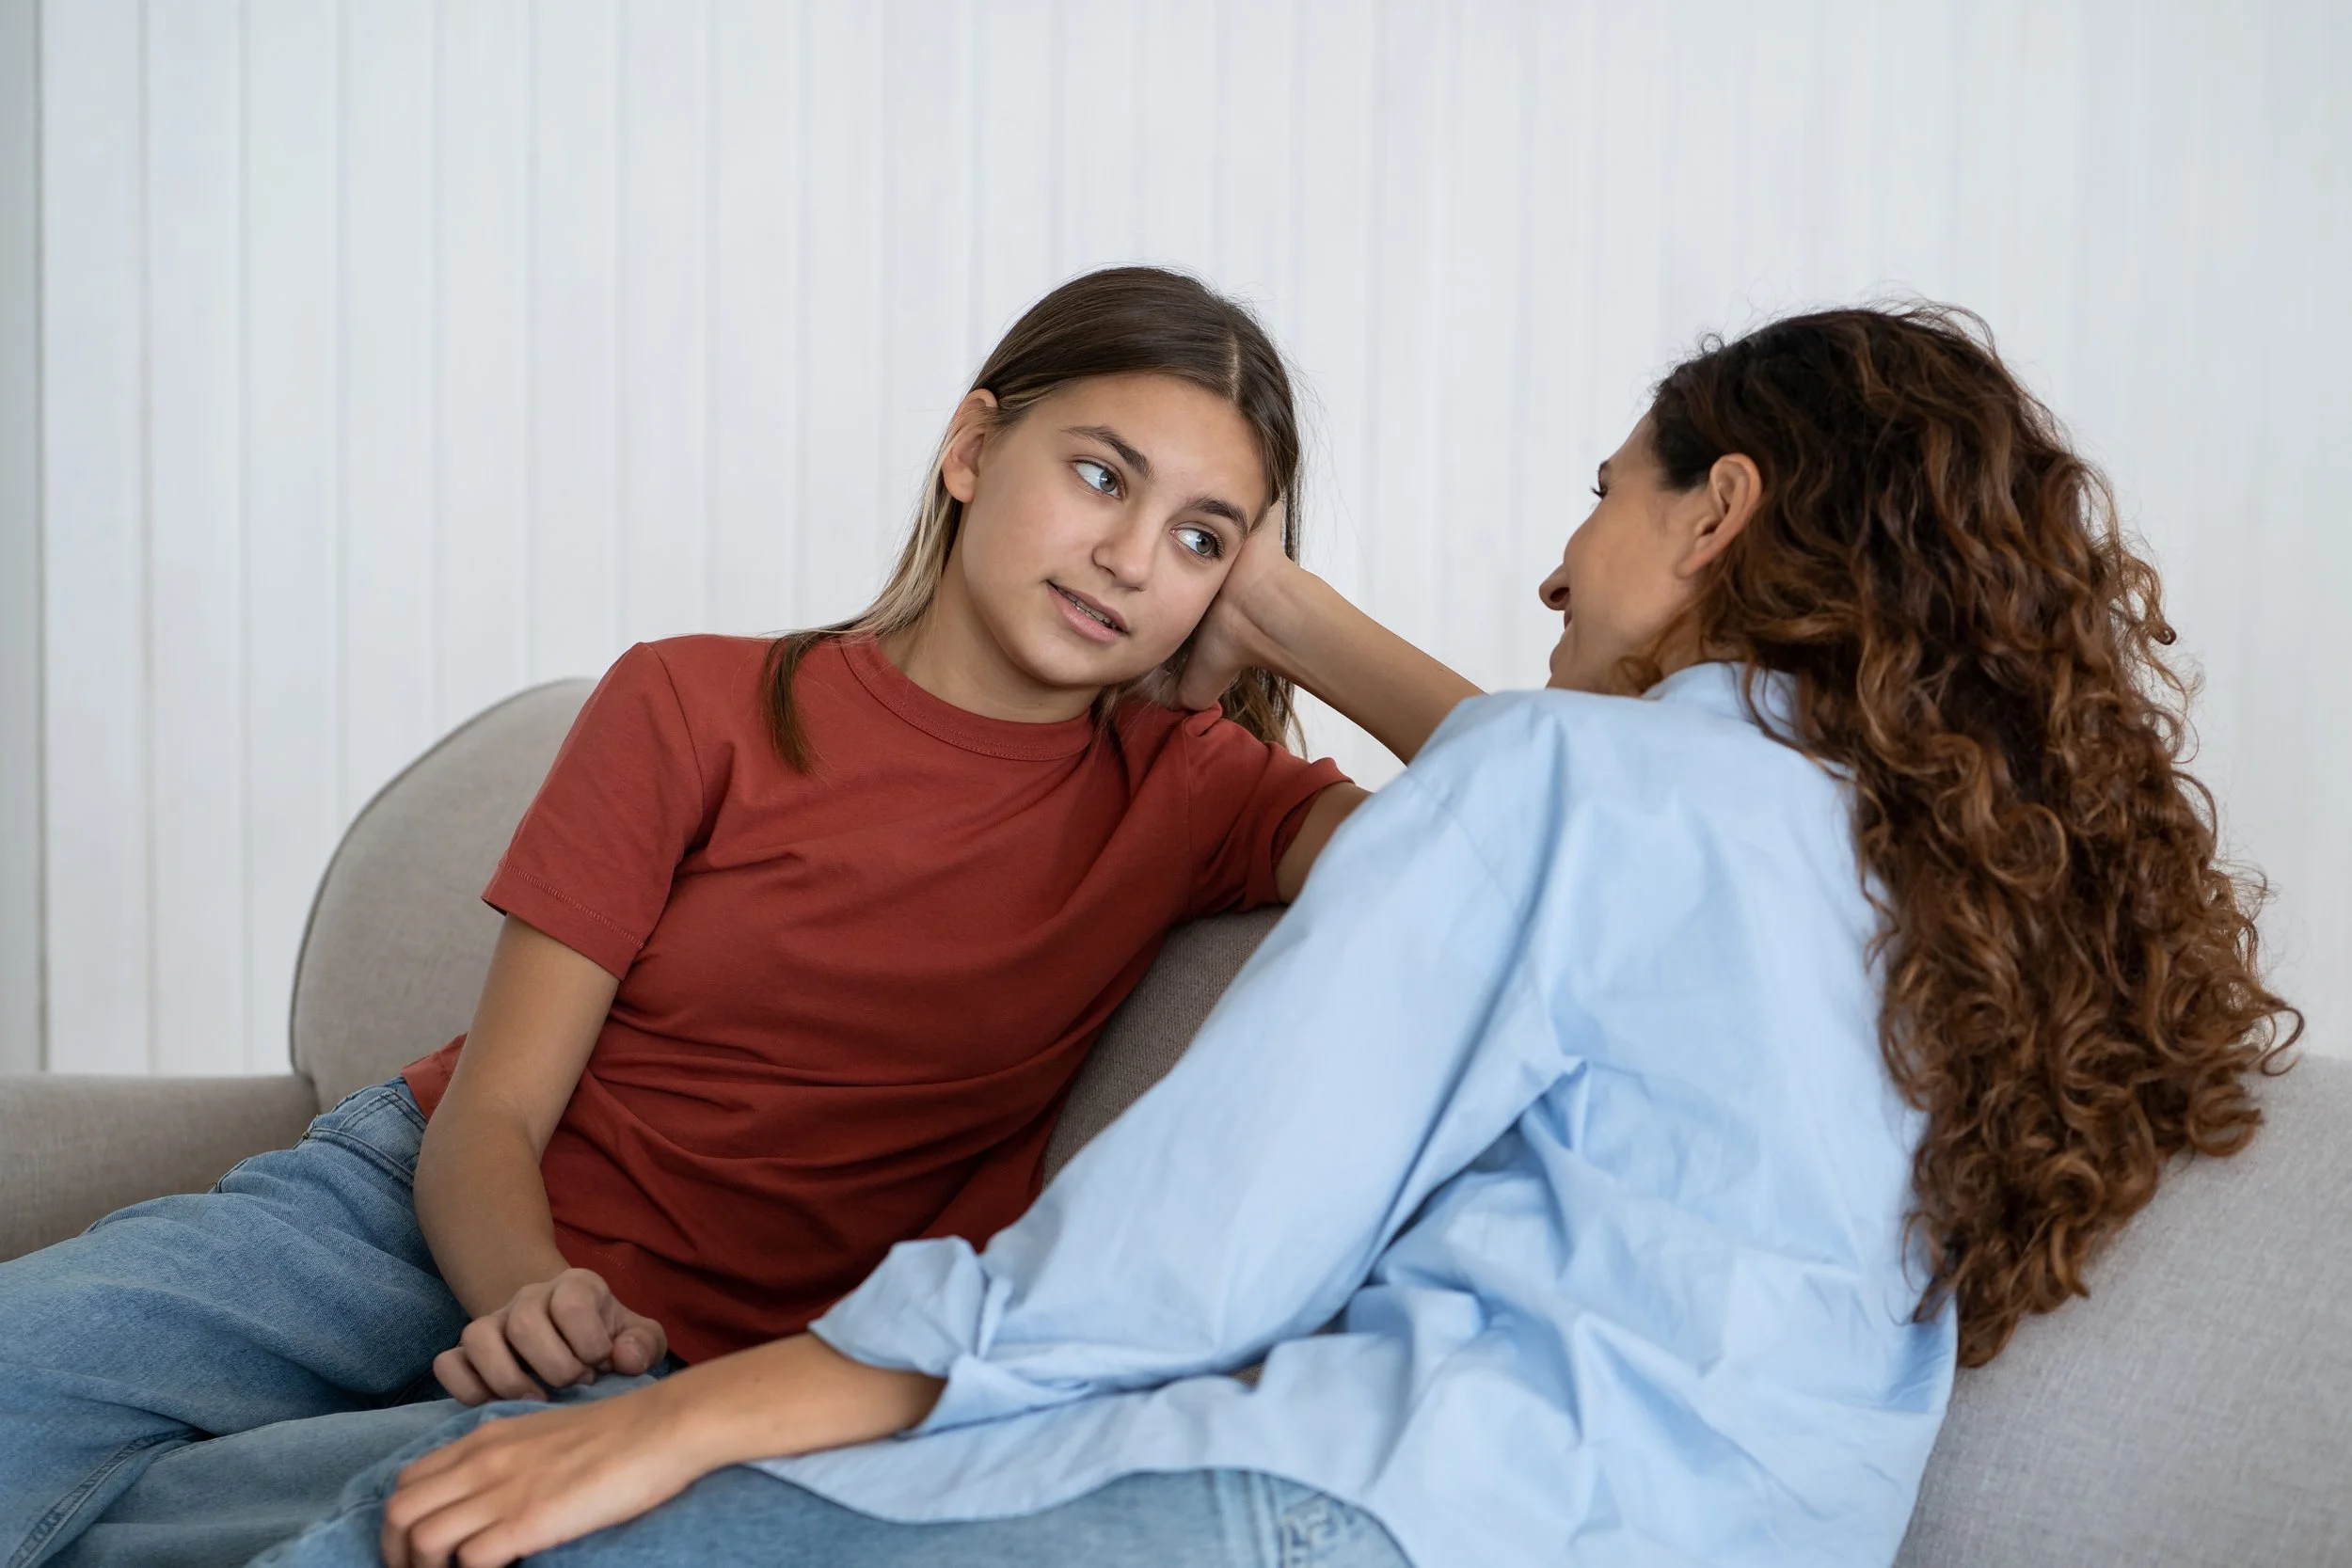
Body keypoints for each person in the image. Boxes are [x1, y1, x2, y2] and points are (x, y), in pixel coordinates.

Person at [262, 303, 2296, 1568]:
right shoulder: (1929, 879)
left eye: (1598, 497)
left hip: (1360, 1509)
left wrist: (687, 1409)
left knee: (385, 1528)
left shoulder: (1566, 791)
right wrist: (1294, 616)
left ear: (1712, 517)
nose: (1544, 560)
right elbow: (1517, 800)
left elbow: (1149, 1280)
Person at [0, 266, 1481, 1568]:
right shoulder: (693, 701)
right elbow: (496, 1111)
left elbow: (1541, 840)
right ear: (972, 447)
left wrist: (1299, 618)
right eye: (1102, 477)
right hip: (415, 1215)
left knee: (403, 1521)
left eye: (1203, 538)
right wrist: (526, 1297)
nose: (1132, 558)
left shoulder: (1197, 795)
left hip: (690, 1373)